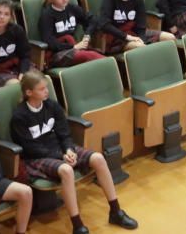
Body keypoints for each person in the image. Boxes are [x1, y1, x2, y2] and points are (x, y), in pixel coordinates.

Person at [11, 71, 137, 234]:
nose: (46, 91)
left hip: (59, 150)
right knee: (66, 170)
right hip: (36, 158)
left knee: (98, 158)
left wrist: (69, 149)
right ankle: (77, 225)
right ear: (29, 93)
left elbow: (64, 133)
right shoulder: (19, 117)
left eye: (46, 88)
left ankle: (116, 211)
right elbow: (29, 148)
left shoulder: (52, 106)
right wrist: (61, 156)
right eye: (42, 89)